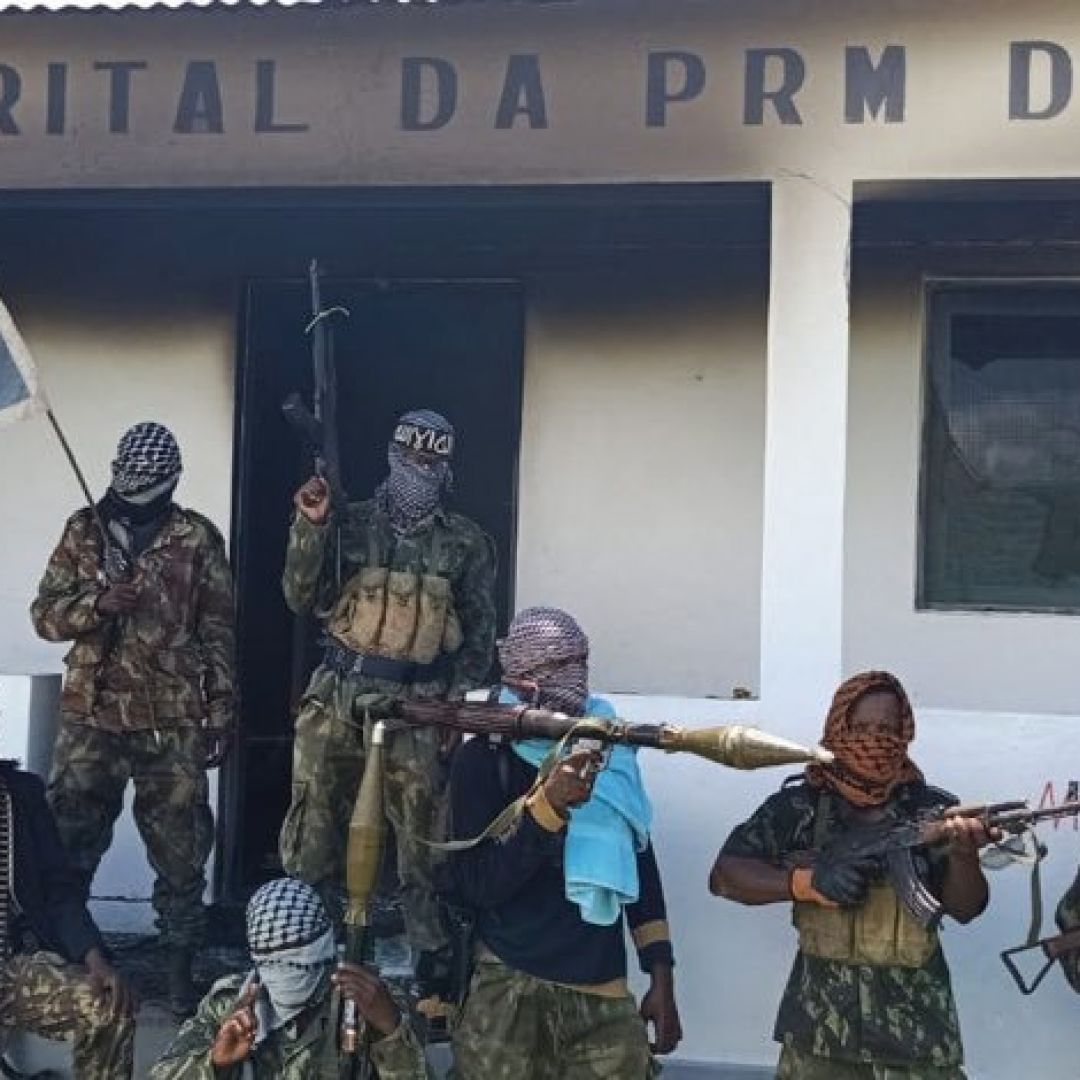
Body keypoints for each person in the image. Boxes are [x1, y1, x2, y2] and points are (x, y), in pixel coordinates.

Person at [279, 409, 496, 1002]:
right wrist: (310, 525)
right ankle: (304, 949)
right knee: (315, 824)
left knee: (422, 837)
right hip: (341, 694)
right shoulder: (347, 524)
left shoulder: (466, 542)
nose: (418, 472)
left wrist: (458, 709)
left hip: (418, 704)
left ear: (446, 470)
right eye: (410, 460)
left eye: (431, 464)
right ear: (391, 458)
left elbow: (479, 634)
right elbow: (301, 595)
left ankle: (430, 967)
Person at [31, 422, 236, 1013]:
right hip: (91, 716)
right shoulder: (83, 530)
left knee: (181, 849)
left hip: (171, 719)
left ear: (171, 480)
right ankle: (66, 965)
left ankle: (178, 975)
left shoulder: (197, 538)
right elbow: (43, 616)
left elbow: (218, 629)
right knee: (68, 843)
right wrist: (97, 604)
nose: (134, 489)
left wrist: (220, 710)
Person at [711, 670, 993, 1080]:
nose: (874, 740)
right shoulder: (800, 808)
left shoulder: (932, 810)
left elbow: (967, 909)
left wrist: (965, 855)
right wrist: (806, 883)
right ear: (837, 729)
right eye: (860, 728)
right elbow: (725, 876)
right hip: (818, 1038)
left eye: (886, 729)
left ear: (905, 733)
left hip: (917, 1040)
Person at [448, 606, 682, 1079]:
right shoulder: (483, 759)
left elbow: (641, 866)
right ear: (519, 675)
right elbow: (477, 885)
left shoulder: (610, 751)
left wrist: (661, 976)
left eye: (579, 662)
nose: (571, 678)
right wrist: (547, 810)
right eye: (554, 668)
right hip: (510, 984)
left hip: (601, 990)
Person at [150, 877, 429, 1079]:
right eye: (271, 959)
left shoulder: (367, 1003)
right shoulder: (228, 1004)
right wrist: (214, 1063)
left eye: (296, 957)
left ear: (323, 945)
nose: (284, 971)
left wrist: (391, 1031)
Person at [0, 757, 135, 1079]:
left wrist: (95, 958)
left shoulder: (19, 793)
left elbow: (57, 890)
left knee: (107, 1007)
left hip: (14, 966)